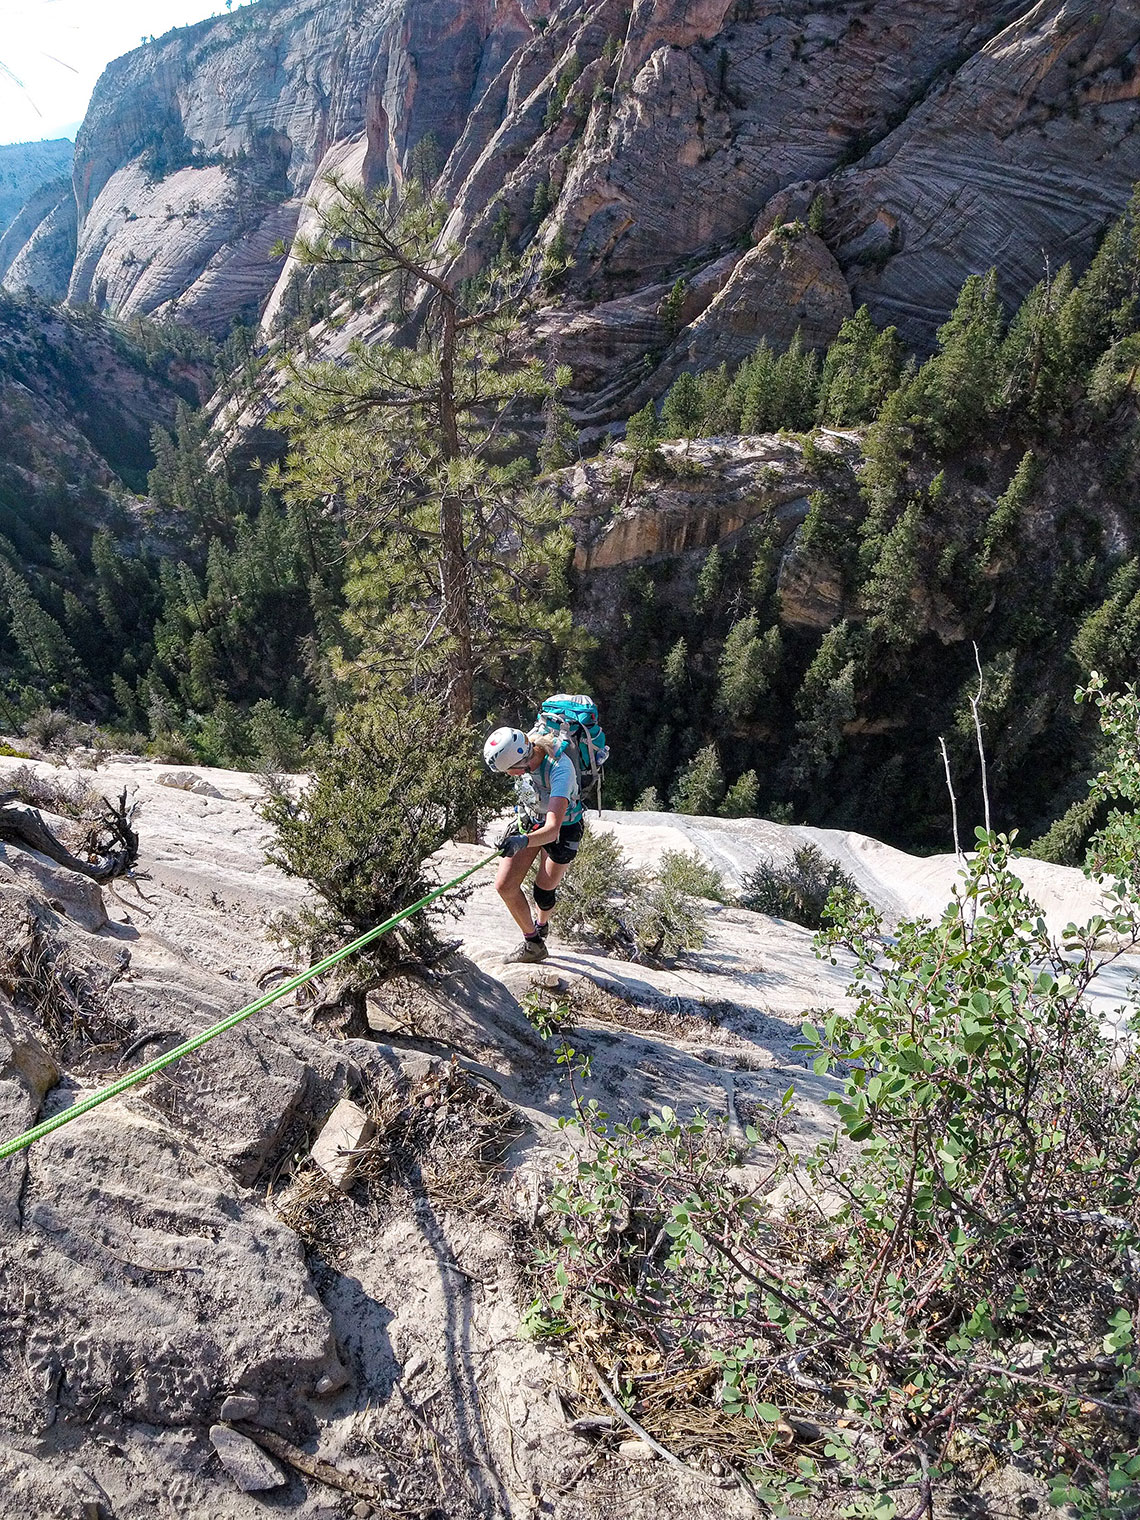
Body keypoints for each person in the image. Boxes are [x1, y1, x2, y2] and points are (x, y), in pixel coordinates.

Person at [483, 724, 584, 963]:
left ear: (523, 763)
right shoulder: (525, 751)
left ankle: (542, 924)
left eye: (510, 771)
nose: (510, 775)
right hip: (531, 821)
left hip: (563, 829)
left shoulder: (560, 770)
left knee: (543, 891)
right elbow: (527, 795)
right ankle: (534, 943)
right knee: (505, 885)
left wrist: (522, 841)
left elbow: (552, 830)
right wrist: (517, 826)